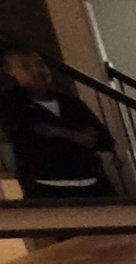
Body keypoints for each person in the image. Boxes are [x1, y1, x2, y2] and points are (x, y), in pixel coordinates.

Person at [0, 46, 118, 200]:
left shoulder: (71, 103)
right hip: (45, 186)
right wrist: (76, 135)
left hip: (94, 183)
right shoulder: (9, 104)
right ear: (11, 73)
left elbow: (105, 140)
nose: (37, 70)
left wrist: (55, 132)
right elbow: (25, 135)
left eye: (40, 64)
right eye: (26, 66)